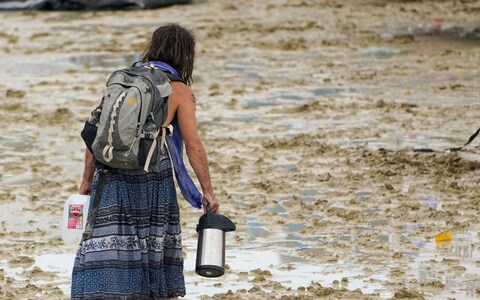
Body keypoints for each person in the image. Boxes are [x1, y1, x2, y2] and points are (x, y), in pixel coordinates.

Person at [71, 23, 219, 300]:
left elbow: (96, 131)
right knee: (153, 242)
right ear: (186, 55)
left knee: (112, 240)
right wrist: (207, 190)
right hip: (152, 172)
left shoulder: (124, 79)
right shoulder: (178, 90)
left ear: (153, 46)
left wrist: (86, 181)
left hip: (111, 171)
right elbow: (192, 145)